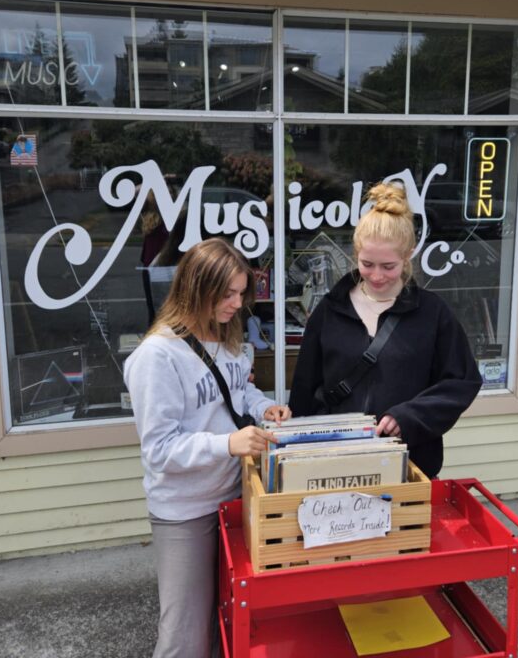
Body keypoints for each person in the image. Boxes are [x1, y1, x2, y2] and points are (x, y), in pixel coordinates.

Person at [124, 238, 291, 658]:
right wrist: (228, 443)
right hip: (185, 511)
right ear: (196, 288)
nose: (237, 303)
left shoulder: (227, 338)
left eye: (240, 293)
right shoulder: (156, 356)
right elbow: (159, 450)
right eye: (228, 294)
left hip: (235, 499)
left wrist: (264, 406)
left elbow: (237, 393)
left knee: (229, 619)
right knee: (185, 636)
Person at [288, 182, 482, 479]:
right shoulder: (328, 312)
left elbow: (461, 382)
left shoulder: (433, 314)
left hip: (408, 466)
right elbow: (304, 392)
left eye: (389, 266)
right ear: (356, 253)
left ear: (409, 255)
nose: (377, 276)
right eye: (367, 264)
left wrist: (409, 416)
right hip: (333, 467)